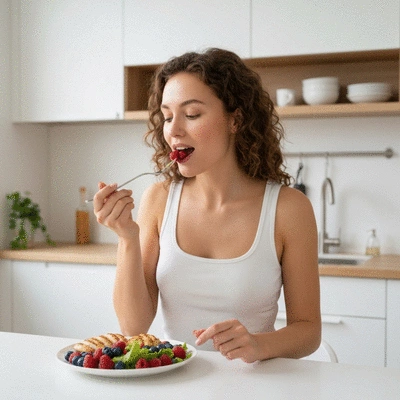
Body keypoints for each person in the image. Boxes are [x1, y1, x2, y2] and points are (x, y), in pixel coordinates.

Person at [93, 48, 321, 363]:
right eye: (168, 116)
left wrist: (258, 345)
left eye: (192, 114)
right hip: (174, 379)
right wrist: (127, 237)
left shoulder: (289, 208)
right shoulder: (159, 199)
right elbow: (133, 326)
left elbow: (308, 331)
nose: (173, 130)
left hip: (257, 385)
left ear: (235, 120)